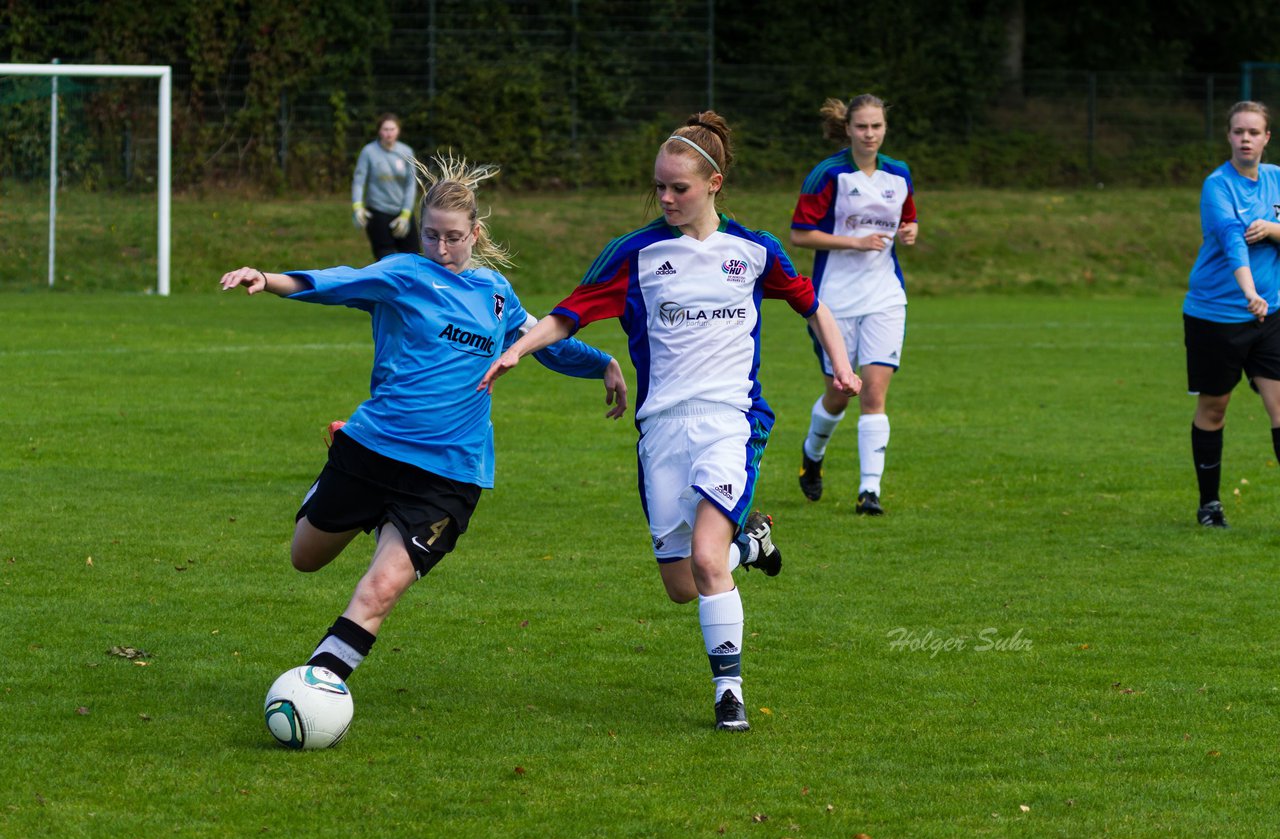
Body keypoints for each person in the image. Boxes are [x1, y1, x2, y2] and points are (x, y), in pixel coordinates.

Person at [479, 111, 860, 732]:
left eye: (678, 187)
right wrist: (518, 349)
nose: (665, 198)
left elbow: (814, 308)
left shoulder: (754, 250)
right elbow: (567, 314)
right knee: (683, 584)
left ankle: (729, 695)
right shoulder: (635, 254)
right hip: (661, 430)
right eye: (658, 187)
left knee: (707, 562)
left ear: (714, 182)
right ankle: (751, 542)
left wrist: (841, 367)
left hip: (730, 420)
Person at [219, 153, 628, 690]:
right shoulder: (400, 275)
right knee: (305, 558)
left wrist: (602, 362)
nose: (440, 249)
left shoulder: (496, 295)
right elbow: (333, 281)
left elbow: (544, 344)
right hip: (373, 451)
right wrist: (267, 278)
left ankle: (315, 690)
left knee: (380, 588)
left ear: (475, 234)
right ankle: (337, 472)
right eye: (431, 236)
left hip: (448, 474)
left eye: (453, 237)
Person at [790, 94, 918, 516]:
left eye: (876, 127)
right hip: (835, 302)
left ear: (885, 129)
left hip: (884, 297)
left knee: (874, 394)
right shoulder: (828, 175)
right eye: (861, 127)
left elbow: (906, 219)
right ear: (847, 128)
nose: (869, 134)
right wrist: (854, 241)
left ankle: (869, 492)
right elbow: (800, 234)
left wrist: (909, 231)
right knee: (839, 395)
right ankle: (812, 455)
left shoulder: (899, 173)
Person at [1183, 100, 1280, 528]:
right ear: (1228, 136)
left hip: (1270, 315)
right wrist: (1248, 292)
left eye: (1253, 132)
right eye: (1238, 131)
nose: (1245, 138)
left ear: (1266, 138)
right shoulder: (1217, 186)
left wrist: (1277, 230)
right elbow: (1230, 240)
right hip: (1217, 316)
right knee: (1215, 408)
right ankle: (1209, 505)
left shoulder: (1277, 180)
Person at [351, 113, 420, 260]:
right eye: (385, 129)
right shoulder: (368, 152)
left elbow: (410, 184)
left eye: (392, 129)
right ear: (379, 131)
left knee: (413, 258)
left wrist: (406, 214)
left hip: (402, 212)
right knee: (385, 259)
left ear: (398, 131)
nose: (389, 133)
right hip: (378, 211)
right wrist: (357, 206)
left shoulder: (407, 152)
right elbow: (359, 180)